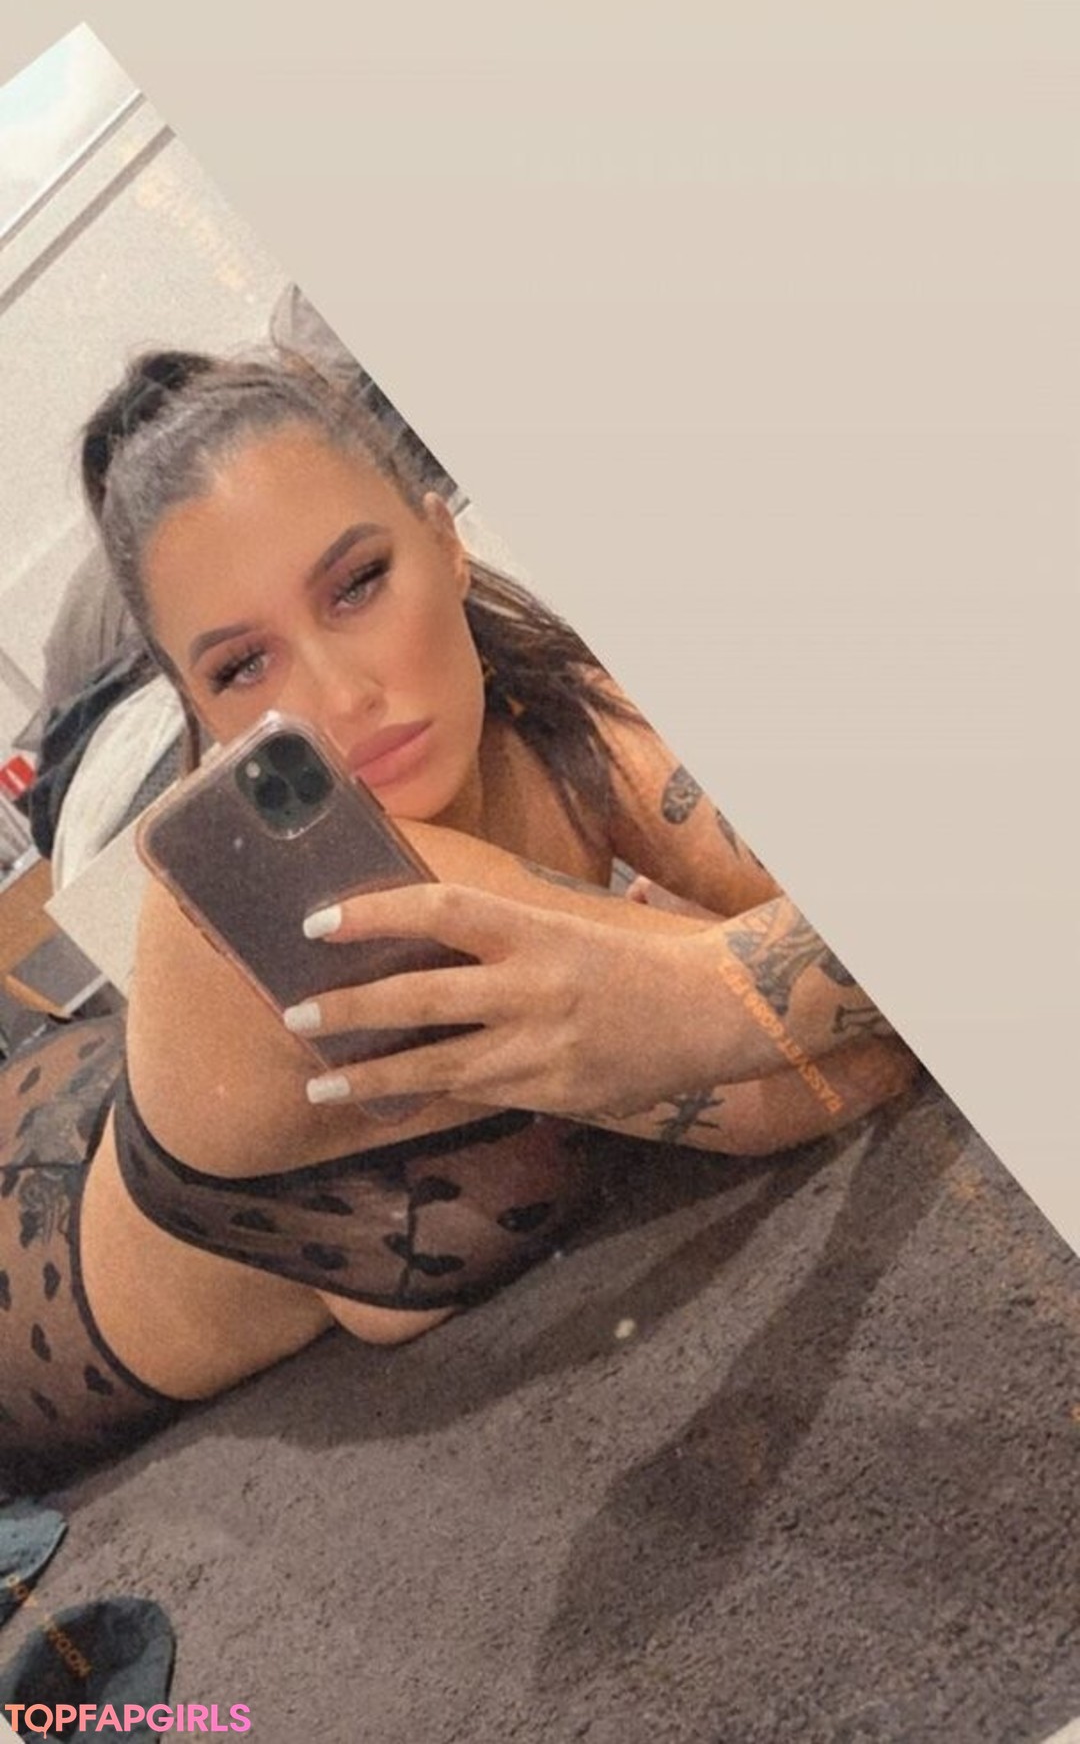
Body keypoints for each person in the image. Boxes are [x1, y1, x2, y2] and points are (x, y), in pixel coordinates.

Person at [0, 347, 919, 1492]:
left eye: (357, 584)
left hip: (88, 1079)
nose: (339, 695)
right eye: (242, 666)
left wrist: (713, 981)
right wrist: (716, 985)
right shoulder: (329, 897)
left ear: (443, 541)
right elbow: (836, 1068)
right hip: (41, 1306)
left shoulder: (539, 698)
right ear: (199, 711)